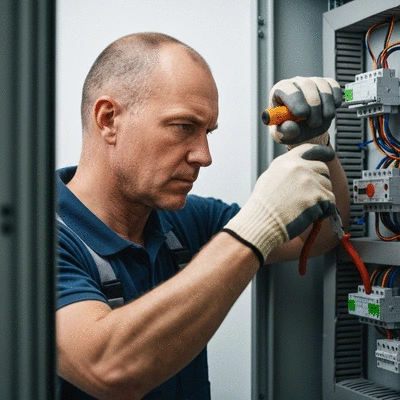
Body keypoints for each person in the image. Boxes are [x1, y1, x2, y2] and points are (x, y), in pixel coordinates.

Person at [56, 32, 349, 400]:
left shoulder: (183, 221)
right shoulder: (31, 241)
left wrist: (315, 141)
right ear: (108, 119)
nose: (204, 155)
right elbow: (108, 368)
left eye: (207, 131)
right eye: (184, 127)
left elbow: (319, 235)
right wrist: (256, 227)